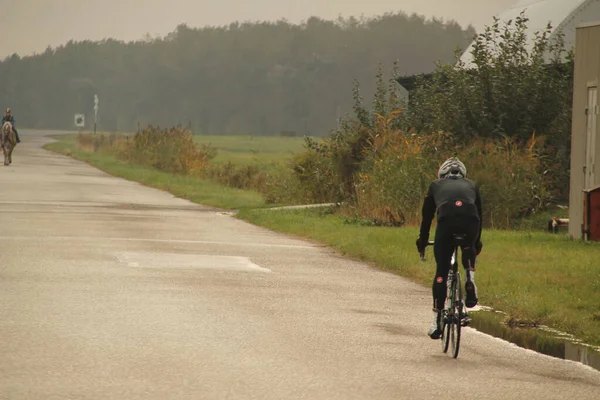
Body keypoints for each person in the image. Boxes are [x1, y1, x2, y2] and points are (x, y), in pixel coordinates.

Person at [416, 157, 483, 339]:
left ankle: (437, 319)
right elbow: (480, 216)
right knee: (468, 245)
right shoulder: (472, 185)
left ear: (442, 174)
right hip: (471, 221)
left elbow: (427, 218)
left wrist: (422, 241)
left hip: (446, 221)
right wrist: (476, 243)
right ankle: (470, 280)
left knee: (441, 272)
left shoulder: (435, 185)